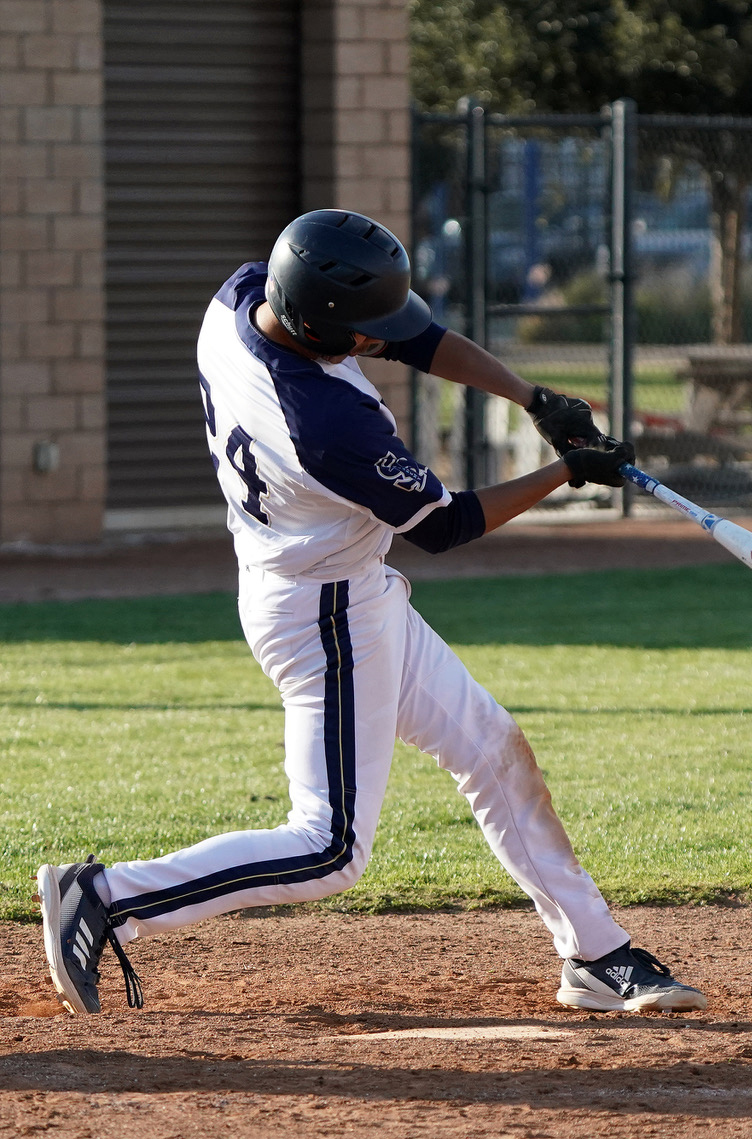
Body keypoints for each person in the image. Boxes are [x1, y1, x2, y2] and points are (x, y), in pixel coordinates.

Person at [36, 209, 707, 1018]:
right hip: (323, 615)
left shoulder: (246, 296)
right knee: (328, 848)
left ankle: (597, 955)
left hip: (343, 587)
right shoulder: (324, 427)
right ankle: (107, 896)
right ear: (325, 330)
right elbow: (448, 525)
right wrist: (565, 472)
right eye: (362, 335)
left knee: (493, 751)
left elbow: (414, 340)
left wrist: (535, 397)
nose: (376, 343)